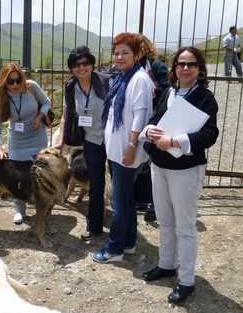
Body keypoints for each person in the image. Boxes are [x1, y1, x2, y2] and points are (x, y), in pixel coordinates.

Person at [139, 47, 219, 303]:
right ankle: (166, 264)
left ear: (200, 69)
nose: (185, 69)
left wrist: (175, 141)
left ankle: (186, 280)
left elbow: (210, 135)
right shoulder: (168, 92)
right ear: (174, 68)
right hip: (159, 166)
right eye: (181, 64)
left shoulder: (205, 98)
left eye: (191, 64)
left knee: (185, 226)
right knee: (165, 220)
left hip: (186, 170)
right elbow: (154, 118)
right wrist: (151, 131)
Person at [92, 32, 154, 263]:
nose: (119, 57)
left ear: (137, 54)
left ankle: (114, 249)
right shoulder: (122, 78)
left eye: (125, 52)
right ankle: (128, 242)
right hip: (117, 151)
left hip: (126, 152)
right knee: (126, 200)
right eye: (116, 53)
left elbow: (140, 116)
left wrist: (131, 146)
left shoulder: (139, 79)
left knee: (118, 203)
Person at [53, 46, 113, 241]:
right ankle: (94, 225)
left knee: (118, 184)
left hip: (113, 138)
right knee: (96, 183)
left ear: (92, 64)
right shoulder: (71, 87)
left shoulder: (106, 82)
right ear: (72, 68)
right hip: (91, 140)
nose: (82, 67)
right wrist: (61, 142)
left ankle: (122, 231)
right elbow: (65, 116)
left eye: (86, 63)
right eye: (77, 64)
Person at [0, 62, 51, 225]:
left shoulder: (31, 86)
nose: (16, 84)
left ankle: (43, 206)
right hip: (17, 141)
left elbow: (47, 102)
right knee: (17, 175)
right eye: (10, 82)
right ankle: (19, 209)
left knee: (41, 174)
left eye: (18, 80)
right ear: (4, 82)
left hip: (37, 137)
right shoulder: (2, 98)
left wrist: (39, 117)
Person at [134, 34, 170, 222]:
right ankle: (141, 199)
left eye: (136, 47)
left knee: (151, 163)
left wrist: (153, 92)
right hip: (138, 120)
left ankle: (156, 205)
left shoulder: (155, 66)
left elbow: (169, 88)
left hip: (157, 120)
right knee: (139, 162)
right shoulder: (131, 67)